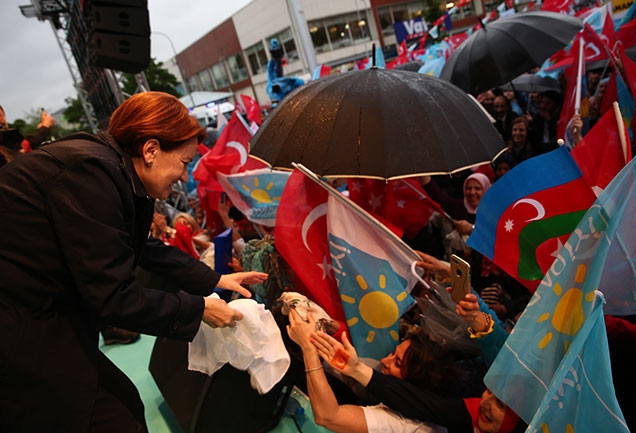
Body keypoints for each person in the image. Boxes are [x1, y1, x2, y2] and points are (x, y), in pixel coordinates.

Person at [0, 91, 268, 433]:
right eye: (185, 163)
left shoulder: (114, 169)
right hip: (21, 328)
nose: (185, 177)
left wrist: (212, 280)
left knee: (121, 406)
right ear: (151, 150)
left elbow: (141, 247)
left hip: (41, 317)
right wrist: (200, 309)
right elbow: (113, 296)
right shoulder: (91, 173)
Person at [308, 294, 526, 433]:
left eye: (501, 405)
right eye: (489, 391)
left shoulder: (408, 423)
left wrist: (308, 348)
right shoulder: (467, 411)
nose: (485, 404)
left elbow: (328, 415)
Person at [287, 308, 456, 433]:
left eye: (397, 363)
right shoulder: (423, 403)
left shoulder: (403, 424)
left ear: (416, 383)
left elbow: (328, 416)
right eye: (392, 353)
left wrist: (308, 348)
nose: (384, 361)